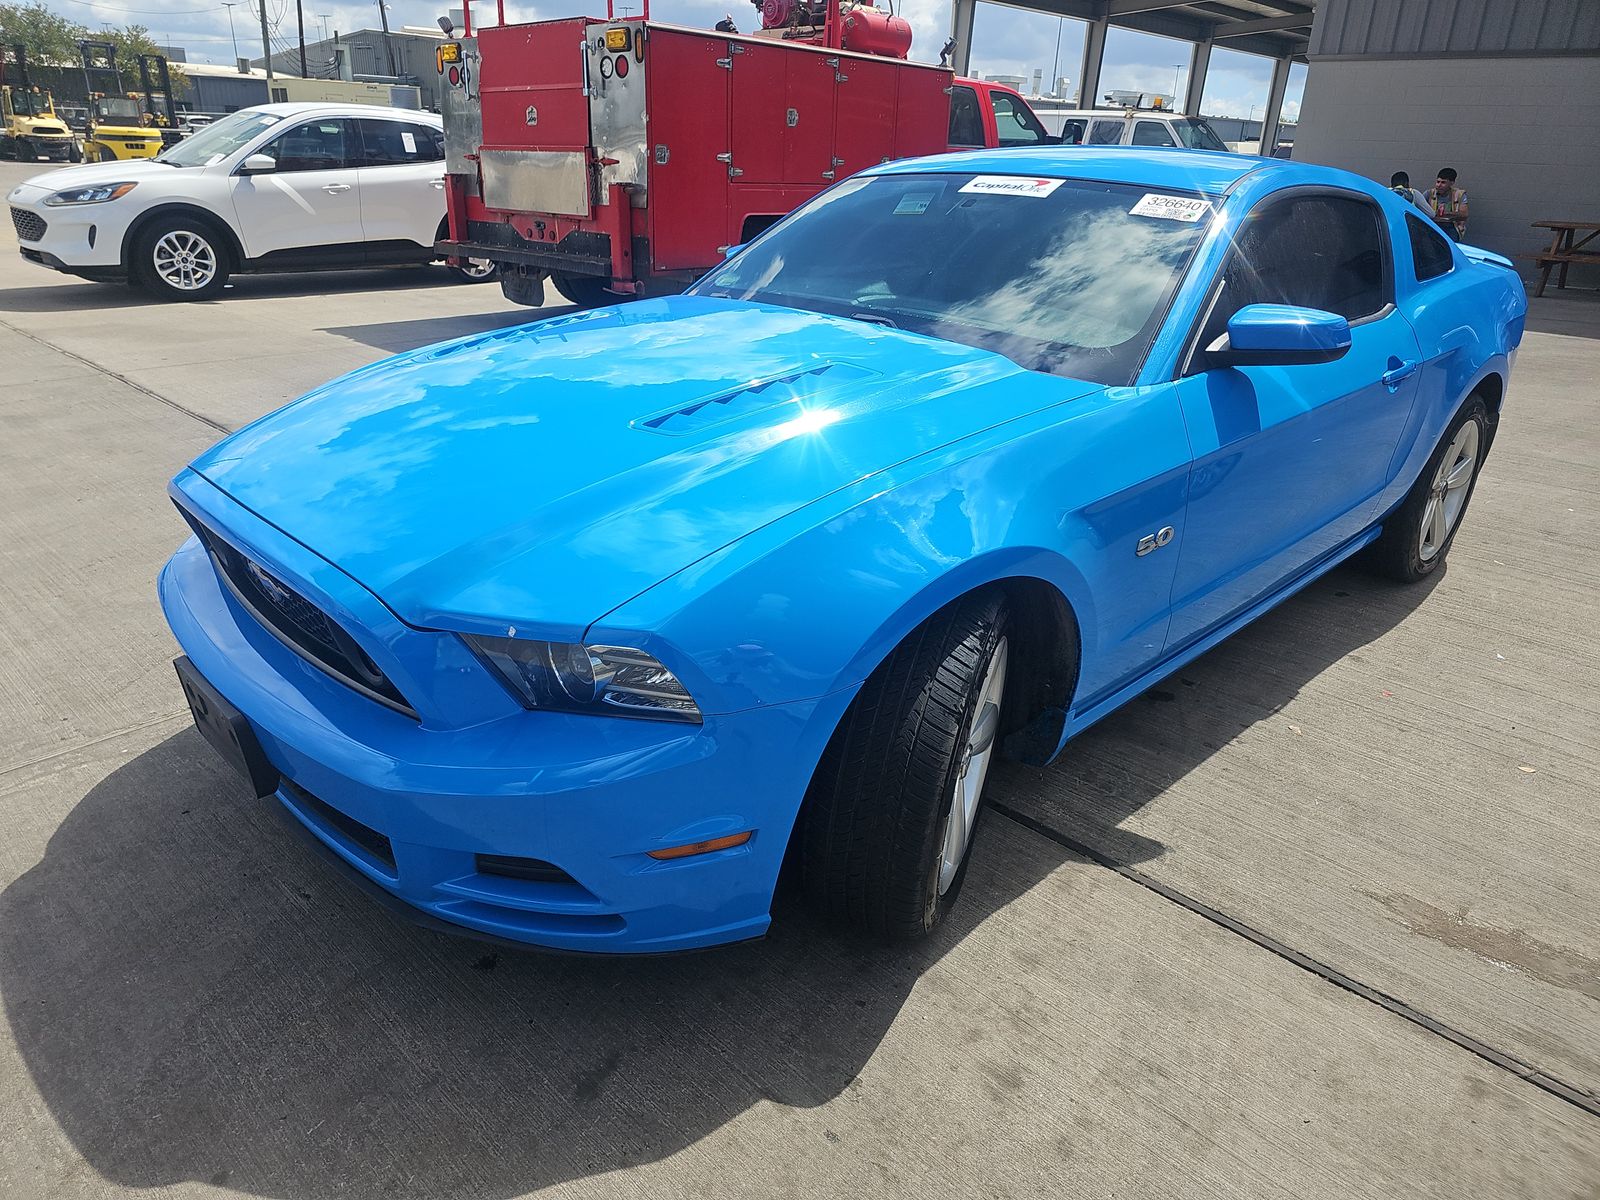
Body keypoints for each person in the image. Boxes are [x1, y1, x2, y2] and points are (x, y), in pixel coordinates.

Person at [1424, 167, 1470, 240]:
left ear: (1451, 183)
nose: (1439, 185)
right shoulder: (1429, 193)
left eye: (1443, 182)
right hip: (1432, 225)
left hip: (1451, 227)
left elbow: (1464, 215)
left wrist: (1445, 214)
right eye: (1438, 182)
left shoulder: (1459, 194)